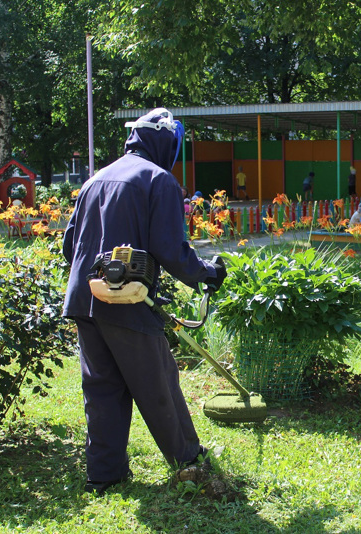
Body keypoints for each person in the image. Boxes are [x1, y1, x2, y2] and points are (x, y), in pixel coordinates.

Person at [62, 108, 228, 496]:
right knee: (158, 383)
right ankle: (188, 463)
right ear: (164, 141)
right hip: (128, 301)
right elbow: (170, 250)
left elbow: (70, 246)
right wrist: (207, 273)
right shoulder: (159, 181)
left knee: (102, 389)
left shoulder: (95, 179)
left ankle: (105, 476)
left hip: (86, 299)